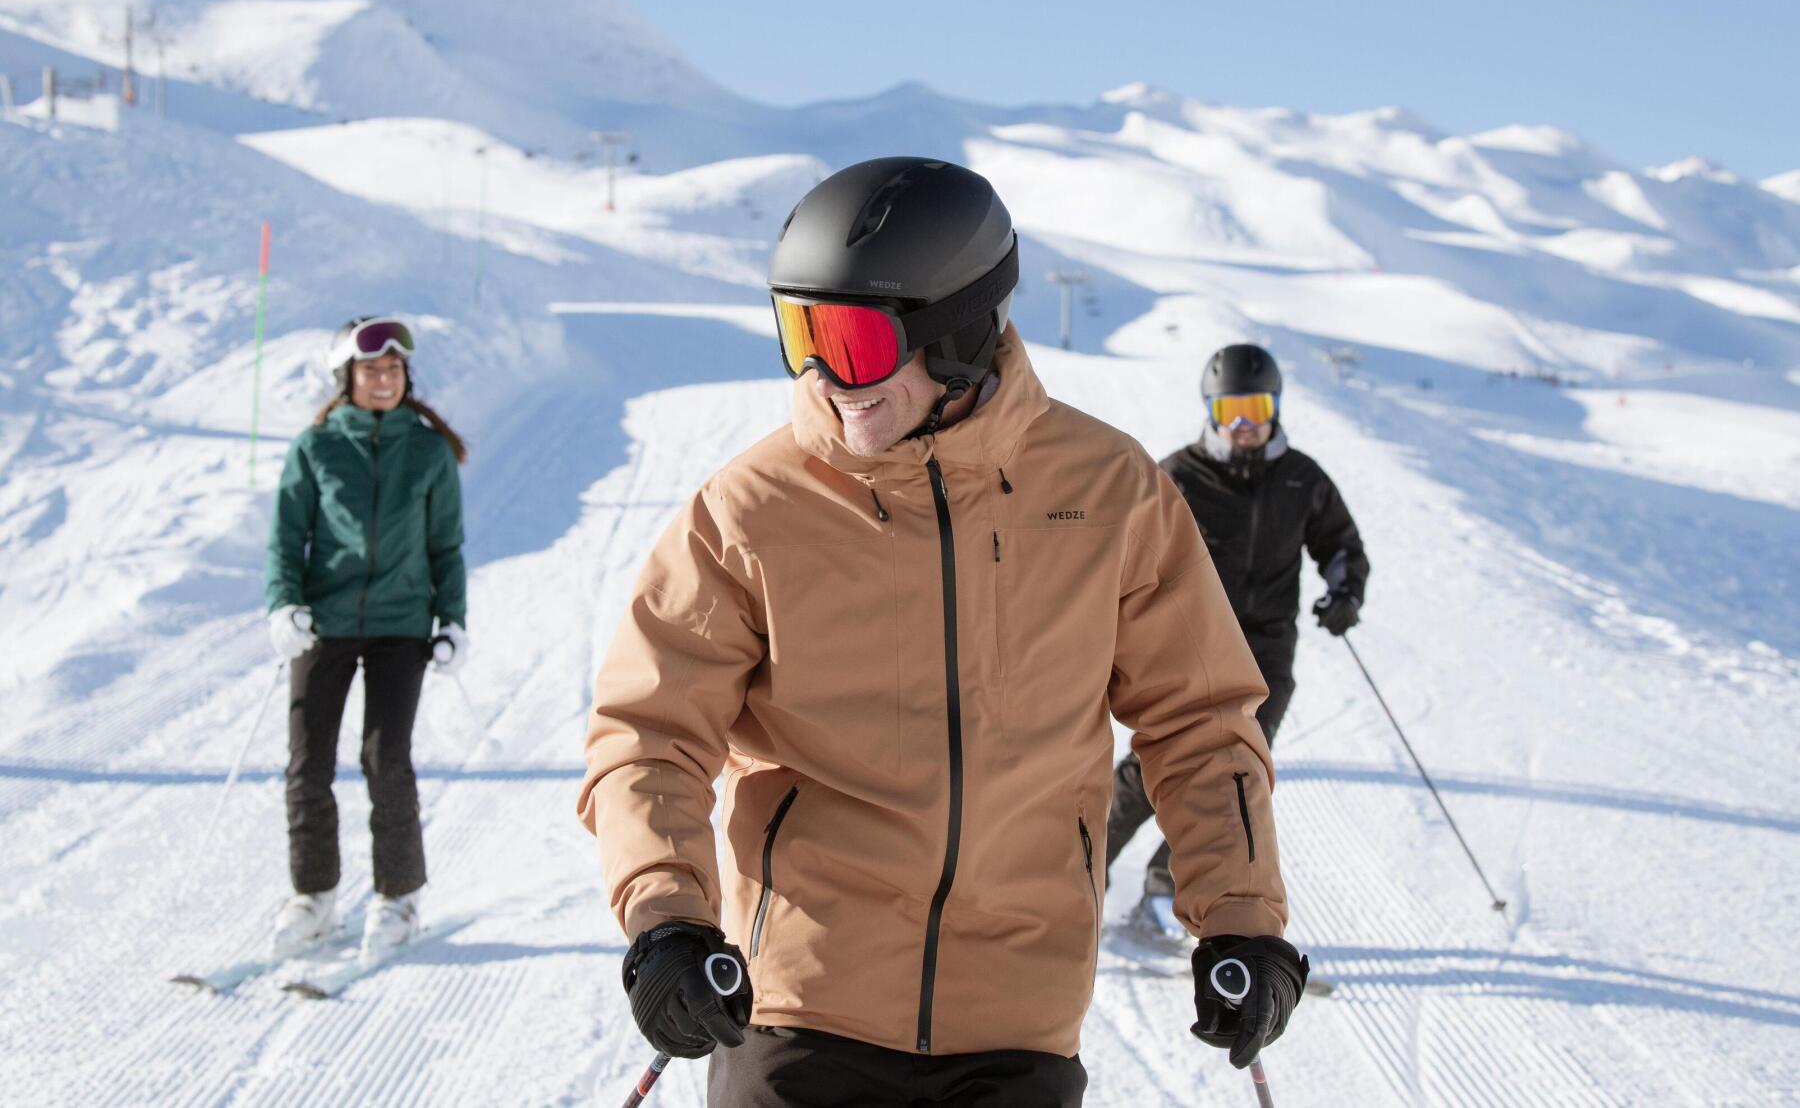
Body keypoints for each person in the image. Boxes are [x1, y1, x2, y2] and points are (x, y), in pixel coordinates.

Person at [578, 159, 1308, 1107]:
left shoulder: (1108, 491)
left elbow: (1200, 718)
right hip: (801, 1007)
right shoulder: (751, 509)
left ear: (959, 330)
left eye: (849, 340)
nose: (822, 377)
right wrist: (667, 916)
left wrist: (1240, 918)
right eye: (798, 331)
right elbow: (649, 730)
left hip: (1018, 1016)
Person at [1108, 343, 1369, 942]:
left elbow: (1341, 545)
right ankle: (1079, 872)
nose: (1246, 425)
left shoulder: (1301, 477)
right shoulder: (1179, 474)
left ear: (1275, 406)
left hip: (1268, 651)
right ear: (1212, 411)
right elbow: (1124, 547)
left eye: (1256, 408)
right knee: (1157, 765)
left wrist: (1344, 590)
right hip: (1190, 640)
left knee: (1234, 775)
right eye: (1232, 411)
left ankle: (1166, 885)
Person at [264, 316, 470, 960]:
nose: (383, 379)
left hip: (401, 626)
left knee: (386, 761)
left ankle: (398, 896)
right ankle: (314, 895)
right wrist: (284, 606)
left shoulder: (429, 450)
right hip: (324, 625)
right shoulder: (316, 447)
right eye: (370, 370)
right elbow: (284, 537)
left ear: (406, 376)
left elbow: (446, 545)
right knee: (307, 765)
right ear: (346, 378)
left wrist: (452, 620)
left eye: (393, 369)